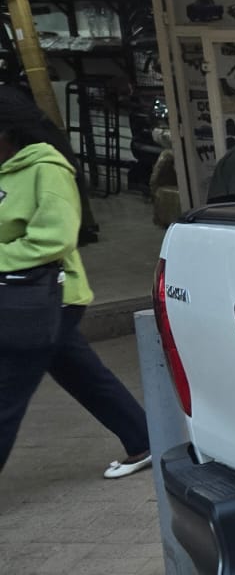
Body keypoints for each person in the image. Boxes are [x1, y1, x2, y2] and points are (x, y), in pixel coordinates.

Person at [0, 87, 150, 477]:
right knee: (83, 375)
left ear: (7, 131)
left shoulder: (47, 169)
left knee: (6, 394)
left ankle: (146, 439)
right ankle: (145, 439)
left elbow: (54, 239)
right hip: (20, 297)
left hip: (47, 296)